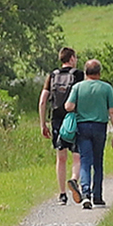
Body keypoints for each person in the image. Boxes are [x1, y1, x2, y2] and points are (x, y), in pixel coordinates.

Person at [65, 60, 113, 208]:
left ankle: (85, 194)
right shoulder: (106, 88)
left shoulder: (78, 87)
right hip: (99, 127)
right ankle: (97, 195)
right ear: (99, 73)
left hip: (82, 127)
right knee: (98, 162)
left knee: (85, 161)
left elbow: (68, 106)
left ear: (85, 72)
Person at [39, 47, 82, 205]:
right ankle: (74, 179)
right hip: (74, 118)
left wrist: (43, 123)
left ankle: (62, 194)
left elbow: (43, 100)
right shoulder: (78, 75)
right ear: (71, 59)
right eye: (75, 57)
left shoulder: (52, 75)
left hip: (57, 120)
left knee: (61, 158)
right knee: (77, 156)